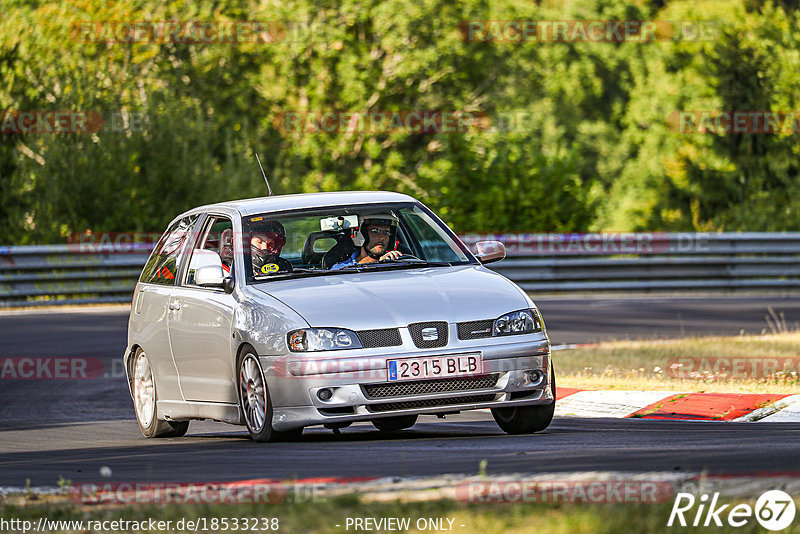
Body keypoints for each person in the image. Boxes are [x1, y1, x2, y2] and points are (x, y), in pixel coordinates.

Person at [331, 214, 403, 270]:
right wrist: (377, 265)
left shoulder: (398, 262)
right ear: (361, 235)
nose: (381, 238)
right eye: (375, 231)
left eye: (386, 233)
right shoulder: (341, 269)